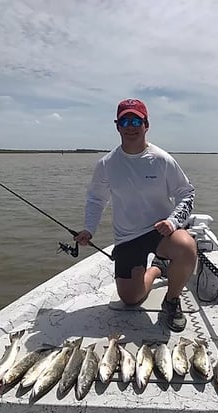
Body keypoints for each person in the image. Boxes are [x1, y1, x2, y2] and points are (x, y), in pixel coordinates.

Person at [75, 98, 197, 332]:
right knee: (131, 299)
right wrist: (89, 229)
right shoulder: (107, 164)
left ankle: (171, 301)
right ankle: (157, 269)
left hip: (160, 231)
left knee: (186, 246)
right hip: (127, 237)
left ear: (146, 125)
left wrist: (173, 222)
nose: (130, 126)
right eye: (125, 121)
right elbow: (96, 198)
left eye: (136, 120)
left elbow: (186, 193)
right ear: (117, 126)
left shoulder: (162, 160)